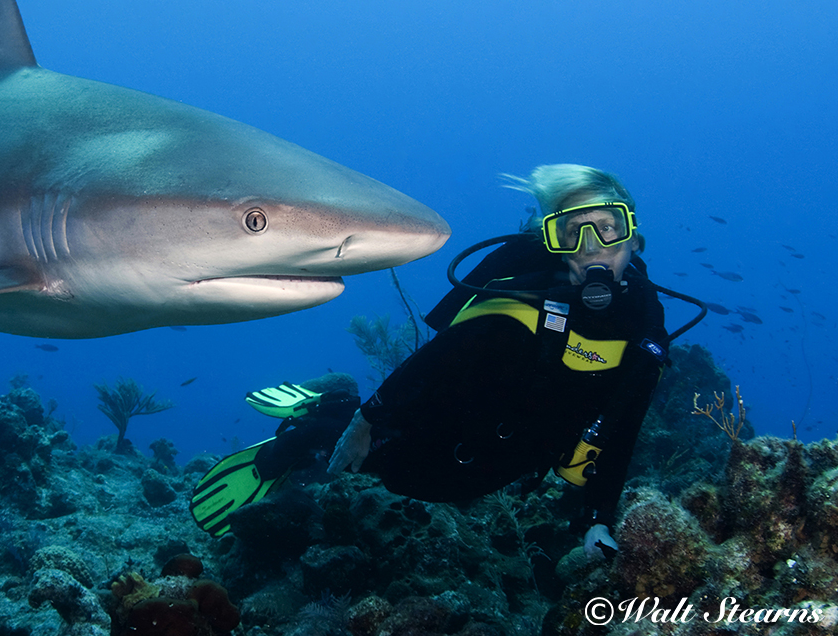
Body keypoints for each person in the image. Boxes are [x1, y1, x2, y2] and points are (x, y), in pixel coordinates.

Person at [191, 165, 674, 558]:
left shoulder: (646, 329)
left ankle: (336, 409)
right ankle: (316, 422)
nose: (591, 246)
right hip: (440, 423)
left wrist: (597, 520)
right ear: (554, 244)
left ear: (634, 237)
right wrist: (364, 421)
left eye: (607, 228)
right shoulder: (526, 300)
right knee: (375, 466)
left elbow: (624, 427)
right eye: (571, 232)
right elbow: (436, 360)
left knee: (430, 482)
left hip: (502, 463)